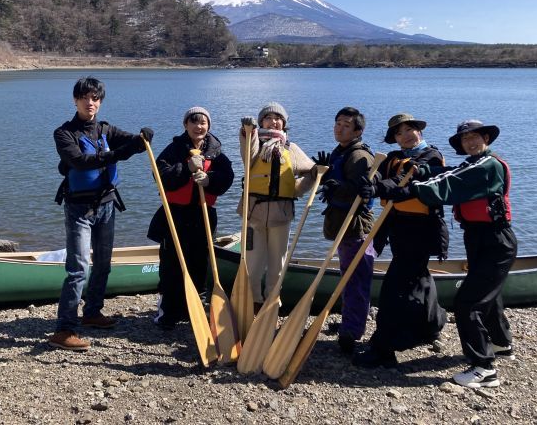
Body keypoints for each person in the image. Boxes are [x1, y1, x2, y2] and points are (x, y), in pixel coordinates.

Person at [367, 119, 516, 388]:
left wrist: (408, 188)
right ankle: (500, 343)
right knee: (488, 297)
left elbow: (448, 182)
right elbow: (445, 171)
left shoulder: (487, 165)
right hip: (479, 238)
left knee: (468, 303)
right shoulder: (472, 163)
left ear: (486, 138)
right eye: (465, 139)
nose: (470, 142)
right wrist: (424, 170)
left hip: (495, 240)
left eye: (475, 137)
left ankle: (484, 368)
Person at [48, 76, 154, 351]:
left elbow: (133, 143)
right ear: (75, 100)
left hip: (107, 205)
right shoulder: (64, 133)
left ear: (100, 102)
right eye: (85, 97)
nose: (90, 102)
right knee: (77, 269)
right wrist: (118, 154)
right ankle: (64, 330)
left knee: (104, 265)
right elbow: (79, 162)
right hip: (79, 209)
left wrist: (143, 139)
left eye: (95, 98)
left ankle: (92, 312)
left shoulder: (105, 129)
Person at [352, 113, 449, 369]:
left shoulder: (431, 157)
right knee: (420, 278)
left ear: (418, 130)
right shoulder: (394, 156)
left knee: (394, 288)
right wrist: (369, 184)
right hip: (398, 227)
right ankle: (432, 326)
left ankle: (384, 347)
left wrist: (379, 189)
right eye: (399, 132)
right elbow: (380, 177)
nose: (405, 135)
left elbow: (406, 183)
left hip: (421, 229)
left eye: (409, 130)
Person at [148, 107, 234, 330]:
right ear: (186, 125)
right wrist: (185, 168)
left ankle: (194, 309)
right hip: (176, 214)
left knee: (200, 263)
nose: (199, 126)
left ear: (209, 126)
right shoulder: (175, 149)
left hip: (203, 214)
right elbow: (160, 176)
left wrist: (210, 179)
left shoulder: (216, 151)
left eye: (203, 122)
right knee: (172, 264)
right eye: (194, 122)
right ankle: (168, 311)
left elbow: (227, 178)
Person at [238, 103, 316, 311]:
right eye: (269, 117)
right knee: (253, 263)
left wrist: (297, 190)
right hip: (253, 213)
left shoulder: (291, 148)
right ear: (261, 121)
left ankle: (272, 301)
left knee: (277, 263)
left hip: (281, 214)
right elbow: (248, 153)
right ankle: (253, 301)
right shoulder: (255, 145)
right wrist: (248, 132)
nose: (274, 121)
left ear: (284, 123)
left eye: (278, 118)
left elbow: (312, 173)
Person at [315, 106, 377, 354]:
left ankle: (352, 331)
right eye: (337, 123)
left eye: (346, 125)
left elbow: (362, 194)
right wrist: (325, 177)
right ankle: (350, 321)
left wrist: (336, 186)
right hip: (342, 223)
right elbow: (338, 183)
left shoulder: (360, 157)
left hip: (355, 227)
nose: (339, 128)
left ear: (358, 130)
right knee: (347, 275)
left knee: (356, 278)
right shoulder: (341, 152)